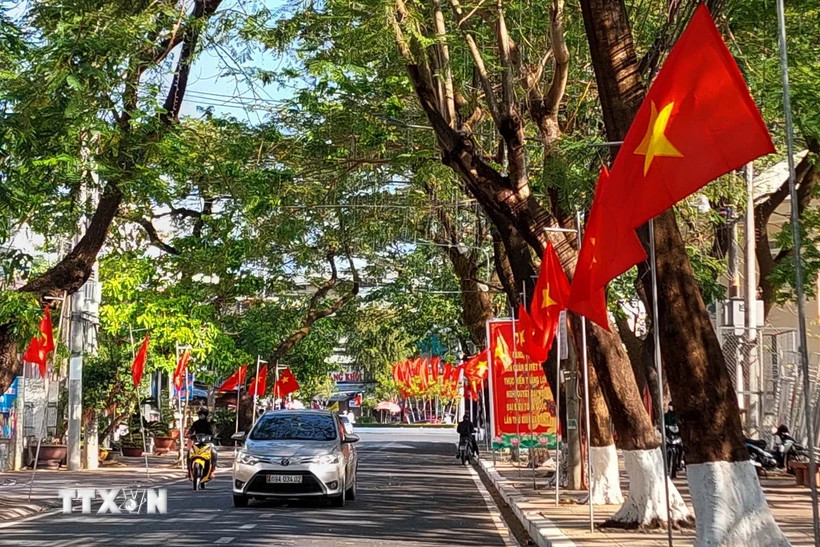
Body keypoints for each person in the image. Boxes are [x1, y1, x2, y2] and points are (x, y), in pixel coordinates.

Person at [187, 408, 216, 479]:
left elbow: (214, 432)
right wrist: (189, 434)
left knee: (214, 453)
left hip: (208, 443)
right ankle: (188, 471)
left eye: (202, 414)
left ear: (206, 415)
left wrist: (213, 436)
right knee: (189, 453)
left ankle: (212, 471)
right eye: (199, 414)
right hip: (197, 442)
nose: (200, 416)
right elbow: (191, 430)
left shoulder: (210, 423)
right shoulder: (196, 423)